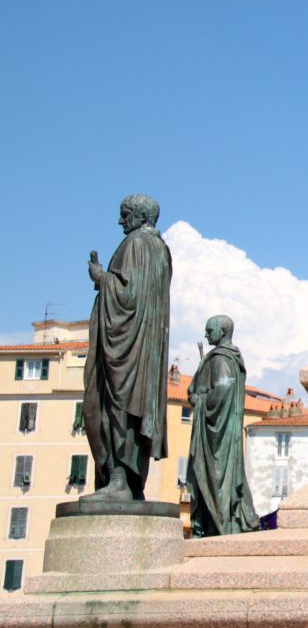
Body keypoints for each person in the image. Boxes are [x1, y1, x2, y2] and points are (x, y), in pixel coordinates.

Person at [82, 194, 172, 501]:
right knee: (129, 411)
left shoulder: (136, 244)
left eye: (125, 214)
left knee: (115, 408)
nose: (121, 220)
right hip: (146, 347)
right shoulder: (161, 249)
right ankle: (130, 484)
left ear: (141, 216)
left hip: (127, 347)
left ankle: (119, 481)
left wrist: (101, 278)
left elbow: (127, 296)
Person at [186, 315, 259, 537]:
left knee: (214, 478)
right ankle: (220, 523)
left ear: (223, 331)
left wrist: (199, 400)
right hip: (225, 429)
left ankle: (217, 525)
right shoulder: (230, 358)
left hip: (217, 434)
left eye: (210, 330)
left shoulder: (220, 359)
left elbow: (222, 389)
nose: (206, 334)